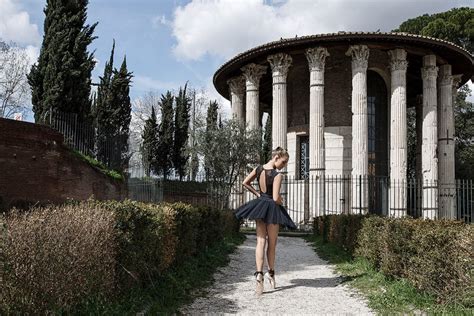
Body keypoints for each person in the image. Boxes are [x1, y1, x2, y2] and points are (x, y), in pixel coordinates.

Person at [234, 147, 297, 295]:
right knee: (272, 244)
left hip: (260, 206)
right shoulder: (277, 175)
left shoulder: (259, 168)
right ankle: (271, 273)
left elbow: (245, 182)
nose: (284, 165)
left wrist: (258, 194)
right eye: (284, 161)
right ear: (277, 157)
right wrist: (281, 200)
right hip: (272, 209)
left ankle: (259, 275)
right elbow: (275, 198)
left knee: (260, 242)